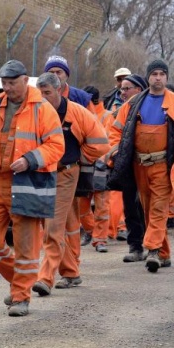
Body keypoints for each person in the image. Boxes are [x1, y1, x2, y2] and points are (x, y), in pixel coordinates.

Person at [0, 60, 65, 317]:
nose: (8, 88)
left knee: (26, 246)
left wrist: (29, 160)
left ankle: (21, 297)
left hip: (26, 184)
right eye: (4, 83)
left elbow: (56, 145)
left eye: (12, 82)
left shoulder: (43, 109)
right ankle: (19, 283)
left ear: (26, 80)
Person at [31, 73, 108, 297]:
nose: (43, 98)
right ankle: (71, 272)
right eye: (40, 93)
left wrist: (79, 158)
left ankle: (45, 278)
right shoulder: (35, 113)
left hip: (66, 174)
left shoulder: (77, 112)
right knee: (58, 224)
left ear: (59, 90)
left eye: (47, 93)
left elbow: (101, 143)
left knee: (53, 226)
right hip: (41, 174)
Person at [108, 60, 174, 273]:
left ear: (166, 77)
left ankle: (152, 250)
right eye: (154, 73)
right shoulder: (134, 103)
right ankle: (163, 253)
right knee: (147, 208)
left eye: (161, 74)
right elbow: (116, 130)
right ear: (148, 77)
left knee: (158, 208)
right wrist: (115, 150)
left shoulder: (173, 102)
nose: (157, 77)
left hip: (163, 165)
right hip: (138, 165)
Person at [106, 74, 148, 262]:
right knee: (130, 206)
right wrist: (116, 153)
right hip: (128, 165)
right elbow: (114, 133)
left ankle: (153, 246)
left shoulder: (151, 106)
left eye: (127, 88)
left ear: (138, 89)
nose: (122, 92)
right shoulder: (124, 109)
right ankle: (135, 247)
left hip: (149, 164)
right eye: (121, 89)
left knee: (149, 207)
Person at [76, 85, 120, 251]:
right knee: (82, 205)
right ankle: (91, 231)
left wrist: (105, 160)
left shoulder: (107, 116)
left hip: (100, 165)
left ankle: (99, 239)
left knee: (101, 205)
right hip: (86, 164)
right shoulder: (80, 113)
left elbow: (110, 140)